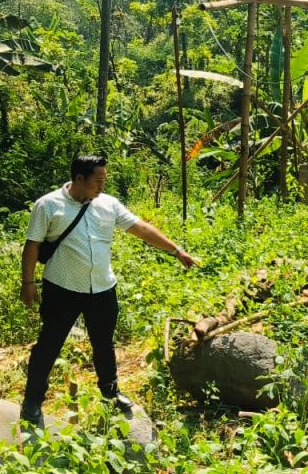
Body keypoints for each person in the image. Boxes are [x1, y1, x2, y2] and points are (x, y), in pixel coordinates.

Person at [19, 155, 197, 425]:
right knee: (49, 344)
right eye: (97, 181)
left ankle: (111, 392)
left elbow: (142, 229)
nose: (102, 186)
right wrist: (28, 283)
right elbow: (32, 246)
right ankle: (32, 400)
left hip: (102, 287)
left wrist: (176, 250)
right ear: (79, 179)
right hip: (62, 287)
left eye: (104, 180)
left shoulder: (108, 204)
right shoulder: (48, 205)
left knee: (104, 343)